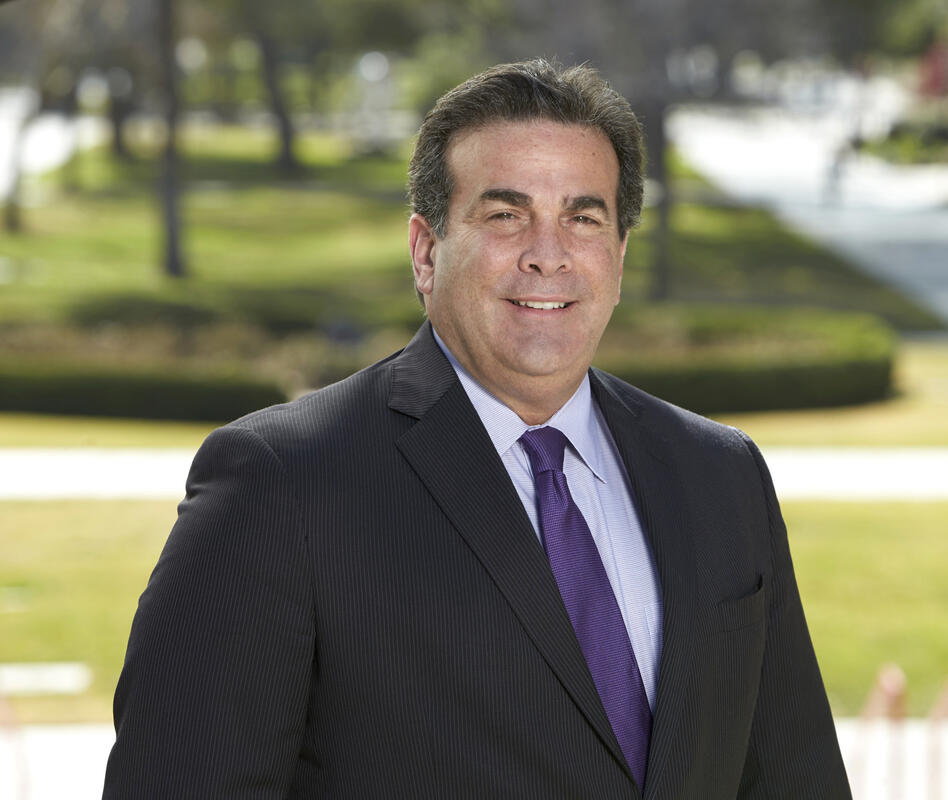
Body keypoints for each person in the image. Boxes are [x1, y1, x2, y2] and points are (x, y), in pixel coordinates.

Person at [103, 59, 850, 799]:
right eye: (505, 215)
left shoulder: (721, 475)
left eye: (583, 218)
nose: (547, 255)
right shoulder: (280, 485)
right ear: (426, 252)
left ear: (619, 256)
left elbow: (796, 779)